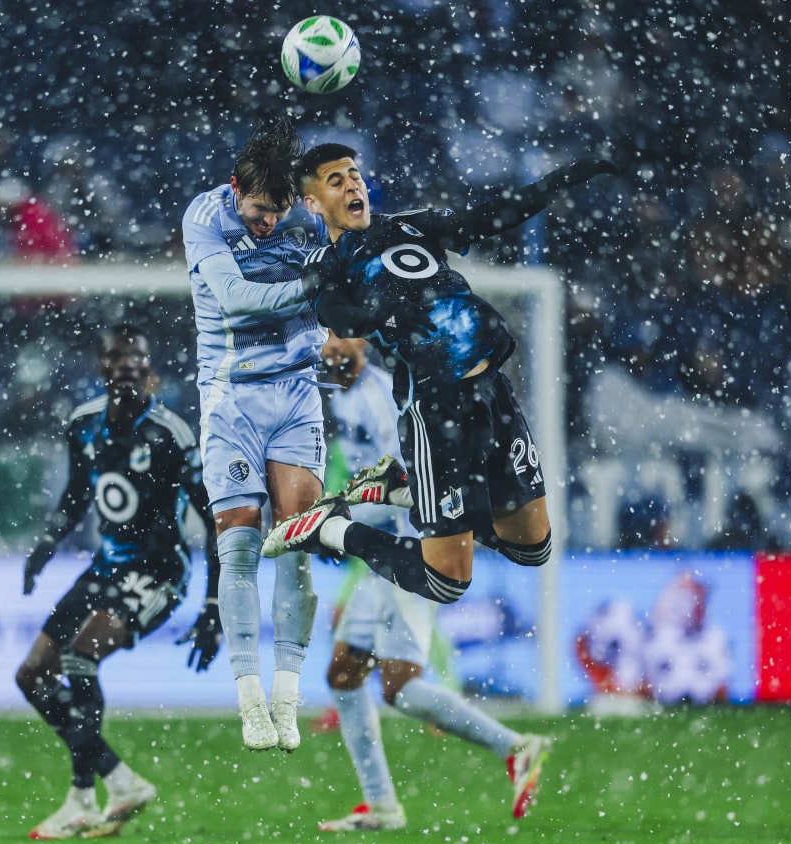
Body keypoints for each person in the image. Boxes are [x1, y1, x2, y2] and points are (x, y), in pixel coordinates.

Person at [264, 144, 618, 607]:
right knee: (447, 582)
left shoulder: (410, 224)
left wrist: (559, 181)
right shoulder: (324, 263)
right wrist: (386, 316)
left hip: (493, 390)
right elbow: (340, 317)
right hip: (437, 410)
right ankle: (330, 527)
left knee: (534, 548)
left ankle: (404, 493)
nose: (353, 184)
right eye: (335, 181)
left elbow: (492, 216)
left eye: (354, 174)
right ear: (312, 204)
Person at [313, 334, 552, 831]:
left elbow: (410, 483)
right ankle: (381, 806)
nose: (327, 347)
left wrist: (341, 519)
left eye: (336, 335)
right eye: (323, 338)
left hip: (413, 552)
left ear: (360, 339)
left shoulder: (382, 398)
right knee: (343, 673)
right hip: (384, 553)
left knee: (400, 685)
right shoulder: (344, 394)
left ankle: (515, 746)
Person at [16, 323, 223, 840]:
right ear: (102, 367)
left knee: (79, 658)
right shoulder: (83, 424)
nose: (128, 365)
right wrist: (47, 544)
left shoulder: (171, 435)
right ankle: (116, 782)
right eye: (118, 358)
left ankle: (85, 796)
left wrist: (213, 606)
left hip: (158, 574)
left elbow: (215, 522)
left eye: (138, 359)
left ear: (149, 371)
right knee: (32, 676)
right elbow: (75, 495)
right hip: (106, 567)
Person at [182, 115, 332, 751]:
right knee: (239, 547)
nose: (265, 223)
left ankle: (287, 697)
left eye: (276, 212)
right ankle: (249, 701)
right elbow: (238, 299)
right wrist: (317, 284)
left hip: (298, 393)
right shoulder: (205, 218)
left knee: (295, 540)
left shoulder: (309, 215)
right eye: (256, 210)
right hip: (231, 397)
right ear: (234, 188)